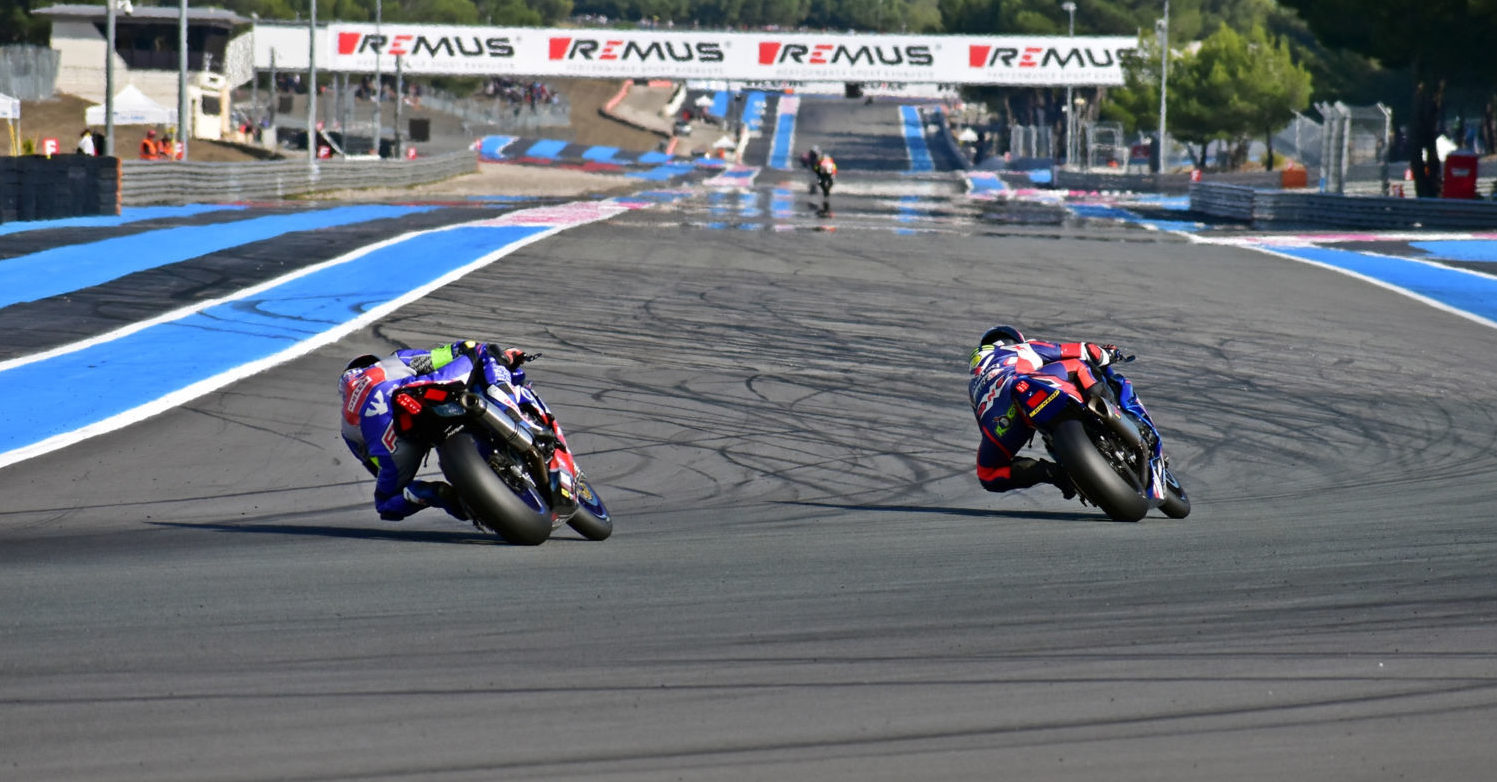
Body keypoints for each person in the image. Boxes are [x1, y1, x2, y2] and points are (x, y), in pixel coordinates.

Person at [338, 340, 577, 523]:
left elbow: (376, 468)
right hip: (411, 395)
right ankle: (514, 414)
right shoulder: (385, 365)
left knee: (387, 503)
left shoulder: (346, 426)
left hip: (394, 440)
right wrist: (500, 356)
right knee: (482, 350)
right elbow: (443, 355)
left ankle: (435, 495)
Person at [967, 324, 1128, 498]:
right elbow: (1075, 350)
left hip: (1001, 422)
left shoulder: (974, 384)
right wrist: (1106, 354)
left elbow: (982, 422)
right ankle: (1112, 412)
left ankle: (1051, 473)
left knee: (987, 474)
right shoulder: (1021, 348)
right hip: (1027, 385)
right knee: (1079, 363)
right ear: (1013, 340)